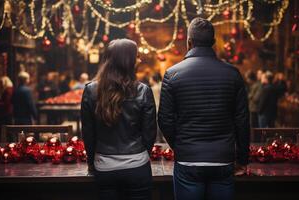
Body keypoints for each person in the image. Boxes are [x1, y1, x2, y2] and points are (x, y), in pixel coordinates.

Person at [158, 17, 250, 200]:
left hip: (188, 159)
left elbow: (164, 120)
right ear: (214, 43)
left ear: (189, 42)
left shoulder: (172, 74)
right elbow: (242, 120)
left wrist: (181, 145)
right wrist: (242, 159)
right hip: (222, 159)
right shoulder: (232, 73)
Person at [81, 38, 156, 200]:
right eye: (136, 56)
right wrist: (141, 155)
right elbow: (150, 133)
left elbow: (88, 132)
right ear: (127, 61)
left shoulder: (90, 90)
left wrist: (91, 162)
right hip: (137, 166)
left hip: (105, 167)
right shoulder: (144, 91)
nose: (140, 59)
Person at [0, 76, 13, 142]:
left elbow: (6, 103)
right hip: (7, 112)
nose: (0, 84)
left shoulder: (7, 90)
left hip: (6, 113)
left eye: (1, 83)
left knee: (6, 130)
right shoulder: (8, 89)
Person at [149, 72, 164, 142]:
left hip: (156, 107)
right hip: (163, 107)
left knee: (156, 126)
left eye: (150, 79)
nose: (149, 80)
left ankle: (158, 139)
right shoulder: (162, 86)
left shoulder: (153, 88)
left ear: (153, 79)